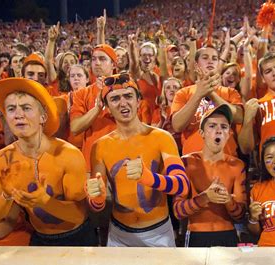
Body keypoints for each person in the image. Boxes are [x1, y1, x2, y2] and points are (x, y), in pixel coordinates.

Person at [0, 77, 96, 246]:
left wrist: (45, 202)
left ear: (43, 116)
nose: (18, 115)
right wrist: (6, 195)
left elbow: (79, 216)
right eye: (11, 109)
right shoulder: (4, 157)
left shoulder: (68, 155)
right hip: (39, 237)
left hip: (78, 237)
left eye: (26, 108)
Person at [87, 73, 189, 247]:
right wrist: (96, 198)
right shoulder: (99, 147)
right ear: (107, 107)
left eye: (128, 96)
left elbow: (182, 185)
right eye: (115, 99)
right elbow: (97, 204)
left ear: (138, 100)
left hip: (159, 234)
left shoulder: (162, 138)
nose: (123, 103)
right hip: (119, 236)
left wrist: (149, 178)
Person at [173, 104, 246, 247]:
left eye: (224, 127)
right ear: (202, 133)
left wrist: (227, 201)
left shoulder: (237, 166)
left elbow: (241, 216)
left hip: (228, 234)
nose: (218, 131)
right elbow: (177, 211)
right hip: (196, 235)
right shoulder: (186, 163)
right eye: (212, 126)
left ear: (229, 134)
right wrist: (205, 197)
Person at [171, 45, 243, 156]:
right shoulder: (183, 93)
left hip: (226, 160)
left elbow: (239, 117)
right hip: (194, 162)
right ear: (196, 65)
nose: (210, 61)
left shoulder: (230, 92)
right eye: (205, 58)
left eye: (214, 58)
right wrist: (199, 93)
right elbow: (177, 125)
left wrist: (210, 93)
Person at [69, 44, 118, 170]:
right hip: (92, 160)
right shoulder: (82, 94)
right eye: (94, 59)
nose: (97, 63)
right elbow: (75, 127)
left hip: (120, 156)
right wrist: (97, 109)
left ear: (113, 64)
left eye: (102, 59)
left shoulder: (125, 88)